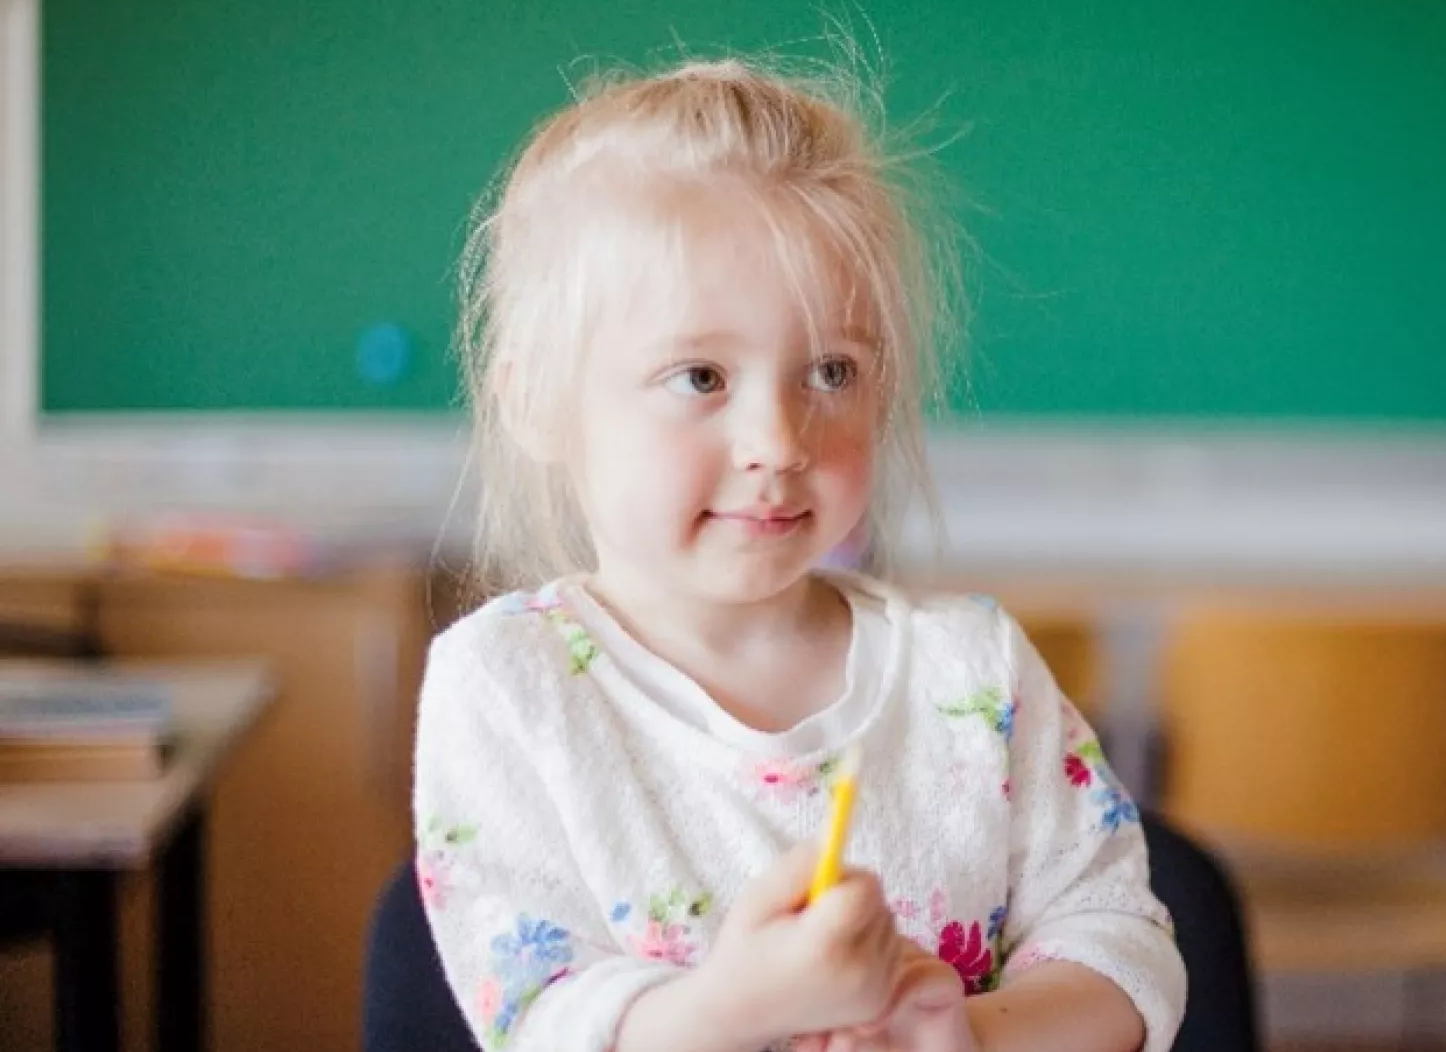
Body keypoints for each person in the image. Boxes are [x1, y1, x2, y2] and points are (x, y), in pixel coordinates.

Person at [412, 54, 1186, 1052]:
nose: (780, 441)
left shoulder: (974, 671)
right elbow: (538, 1019)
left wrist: (965, 1037)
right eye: (698, 376)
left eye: (831, 370)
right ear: (535, 400)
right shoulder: (508, 688)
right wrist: (736, 1012)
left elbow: (1124, 949)